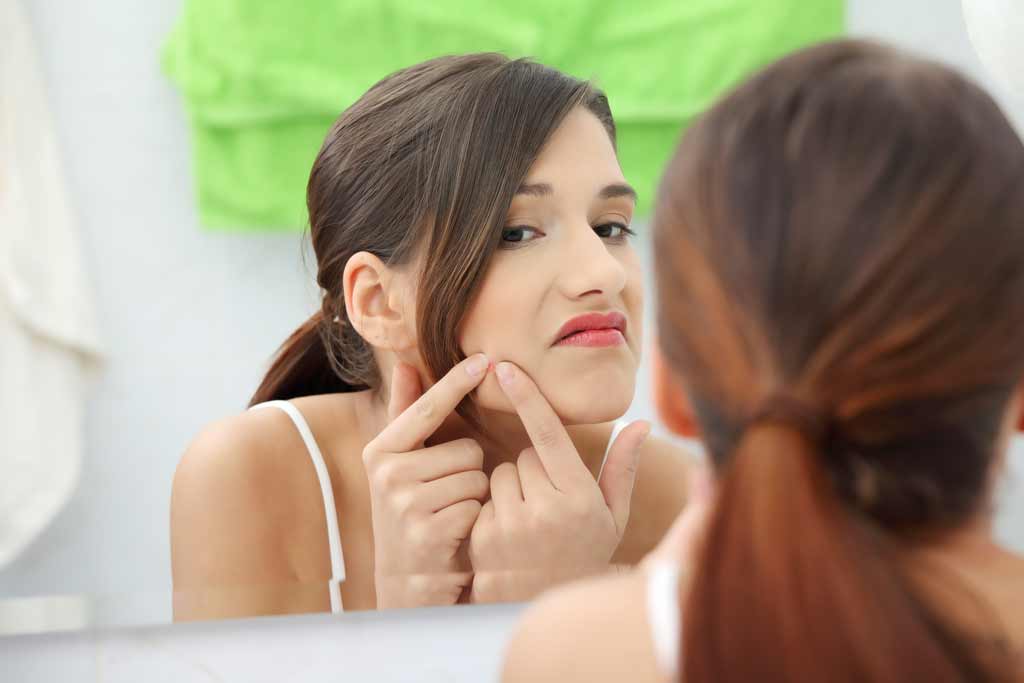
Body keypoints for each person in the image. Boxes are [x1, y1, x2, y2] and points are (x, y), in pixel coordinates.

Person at [502, 39, 1024, 682]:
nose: (594, 277)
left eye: (611, 227)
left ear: (672, 388)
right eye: (517, 232)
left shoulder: (584, 653)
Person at [170, 53, 694, 620]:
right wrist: (406, 617)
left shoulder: (673, 496)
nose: (606, 273)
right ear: (377, 301)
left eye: (610, 226)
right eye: (516, 233)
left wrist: (548, 614)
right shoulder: (250, 477)